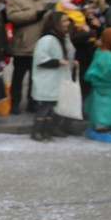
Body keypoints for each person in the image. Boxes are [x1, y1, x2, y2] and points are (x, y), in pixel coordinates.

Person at [6, 0, 51, 114]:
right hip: (23, 46)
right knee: (18, 78)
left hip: (41, 46)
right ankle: (15, 103)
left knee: (36, 78)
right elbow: (12, 16)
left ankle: (32, 103)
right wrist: (36, 14)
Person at [29, 12, 76, 142]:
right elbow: (41, 58)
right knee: (45, 107)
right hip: (48, 80)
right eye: (64, 21)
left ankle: (46, 130)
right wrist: (58, 62)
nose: (68, 23)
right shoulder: (47, 39)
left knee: (52, 106)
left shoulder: (62, 37)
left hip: (56, 79)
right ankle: (37, 131)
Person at [84, 27, 111, 142]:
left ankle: (99, 128)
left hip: (108, 88)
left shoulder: (104, 52)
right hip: (106, 88)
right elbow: (109, 71)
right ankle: (99, 130)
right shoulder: (106, 55)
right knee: (103, 110)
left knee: (104, 109)